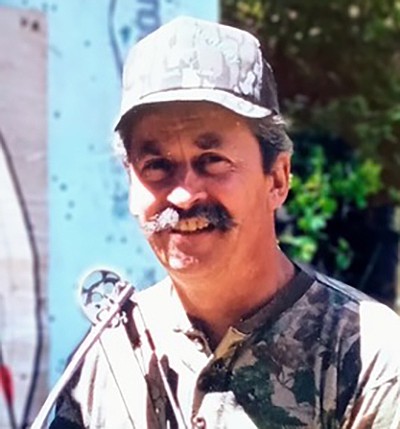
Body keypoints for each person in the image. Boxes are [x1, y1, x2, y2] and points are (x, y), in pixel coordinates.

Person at [48, 16, 400, 429]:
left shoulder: (367, 360)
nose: (183, 196)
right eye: (156, 166)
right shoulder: (110, 355)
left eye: (212, 161)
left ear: (277, 179)